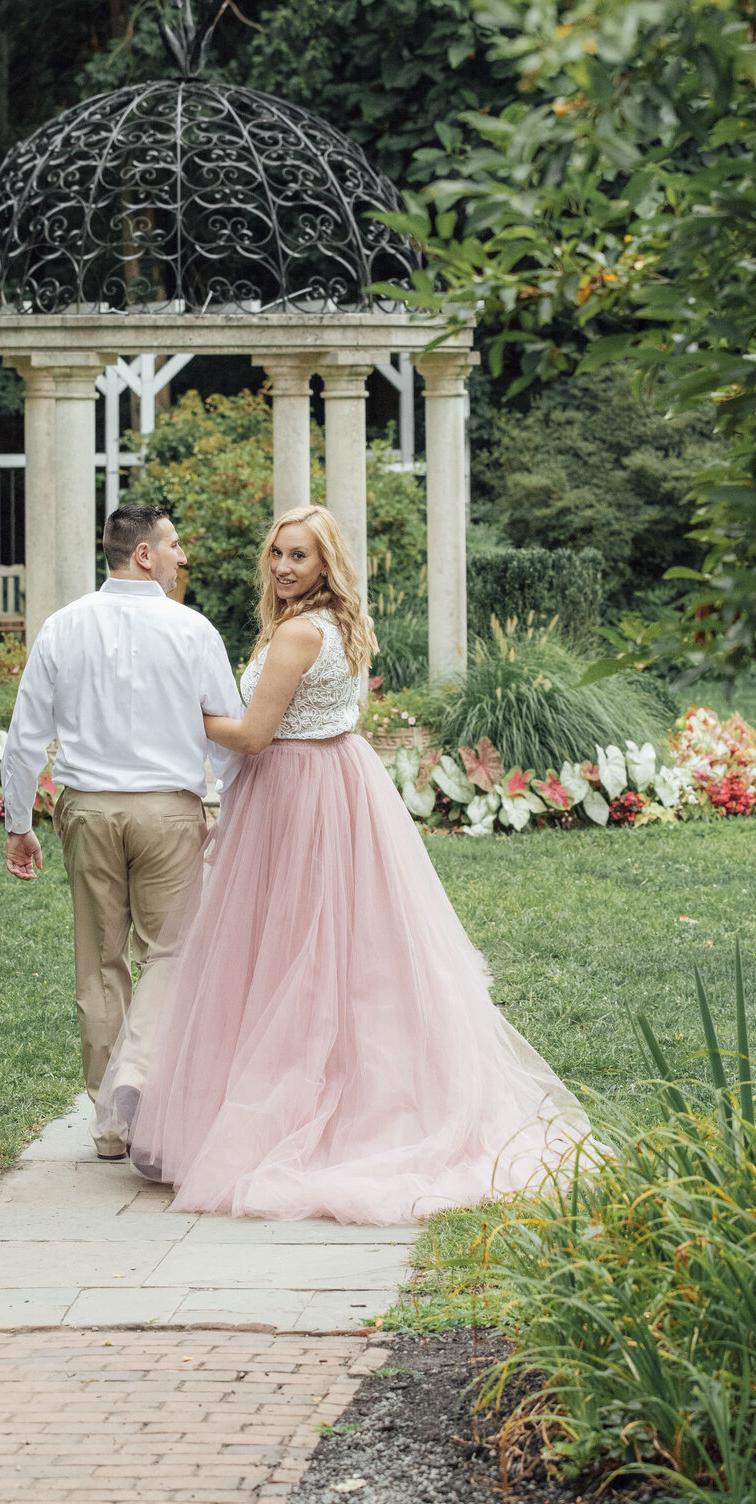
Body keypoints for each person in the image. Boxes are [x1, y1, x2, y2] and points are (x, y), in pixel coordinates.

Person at [95, 504, 601, 1222]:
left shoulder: (299, 634)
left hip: (296, 795)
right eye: (276, 554)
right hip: (338, 782)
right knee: (341, 948)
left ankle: (303, 1104)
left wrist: (179, 710)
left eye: (298, 556)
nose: (282, 567)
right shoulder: (336, 626)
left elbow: (252, 736)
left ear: (326, 563)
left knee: (291, 952)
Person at [2, 504, 242, 1159]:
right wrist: (229, 809)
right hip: (168, 810)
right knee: (170, 952)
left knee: (100, 959)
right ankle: (137, 1079)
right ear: (143, 555)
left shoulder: (62, 627)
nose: (180, 557)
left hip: (86, 808)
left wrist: (18, 824)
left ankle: (110, 1124)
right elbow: (230, 731)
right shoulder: (192, 630)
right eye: (172, 546)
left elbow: (25, 741)